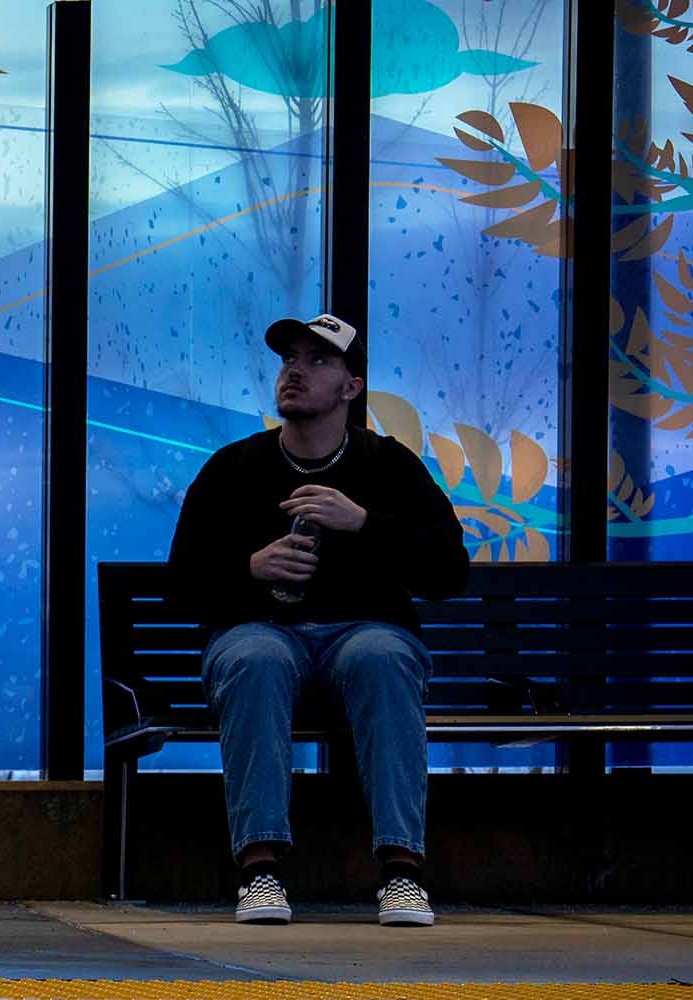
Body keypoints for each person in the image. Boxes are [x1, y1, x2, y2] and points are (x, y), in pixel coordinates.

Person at [164, 313, 467, 927]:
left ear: (351, 388)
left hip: (363, 633)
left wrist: (363, 524)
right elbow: (180, 582)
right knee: (255, 658)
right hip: (258, 634)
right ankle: (260, 871)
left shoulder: (388, 467)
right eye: (288, 359)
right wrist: (249, 566)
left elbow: (448, 572)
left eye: (318, 360)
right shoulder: (234, 468)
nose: (295, 371)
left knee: (383, 655)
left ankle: (403, 873)